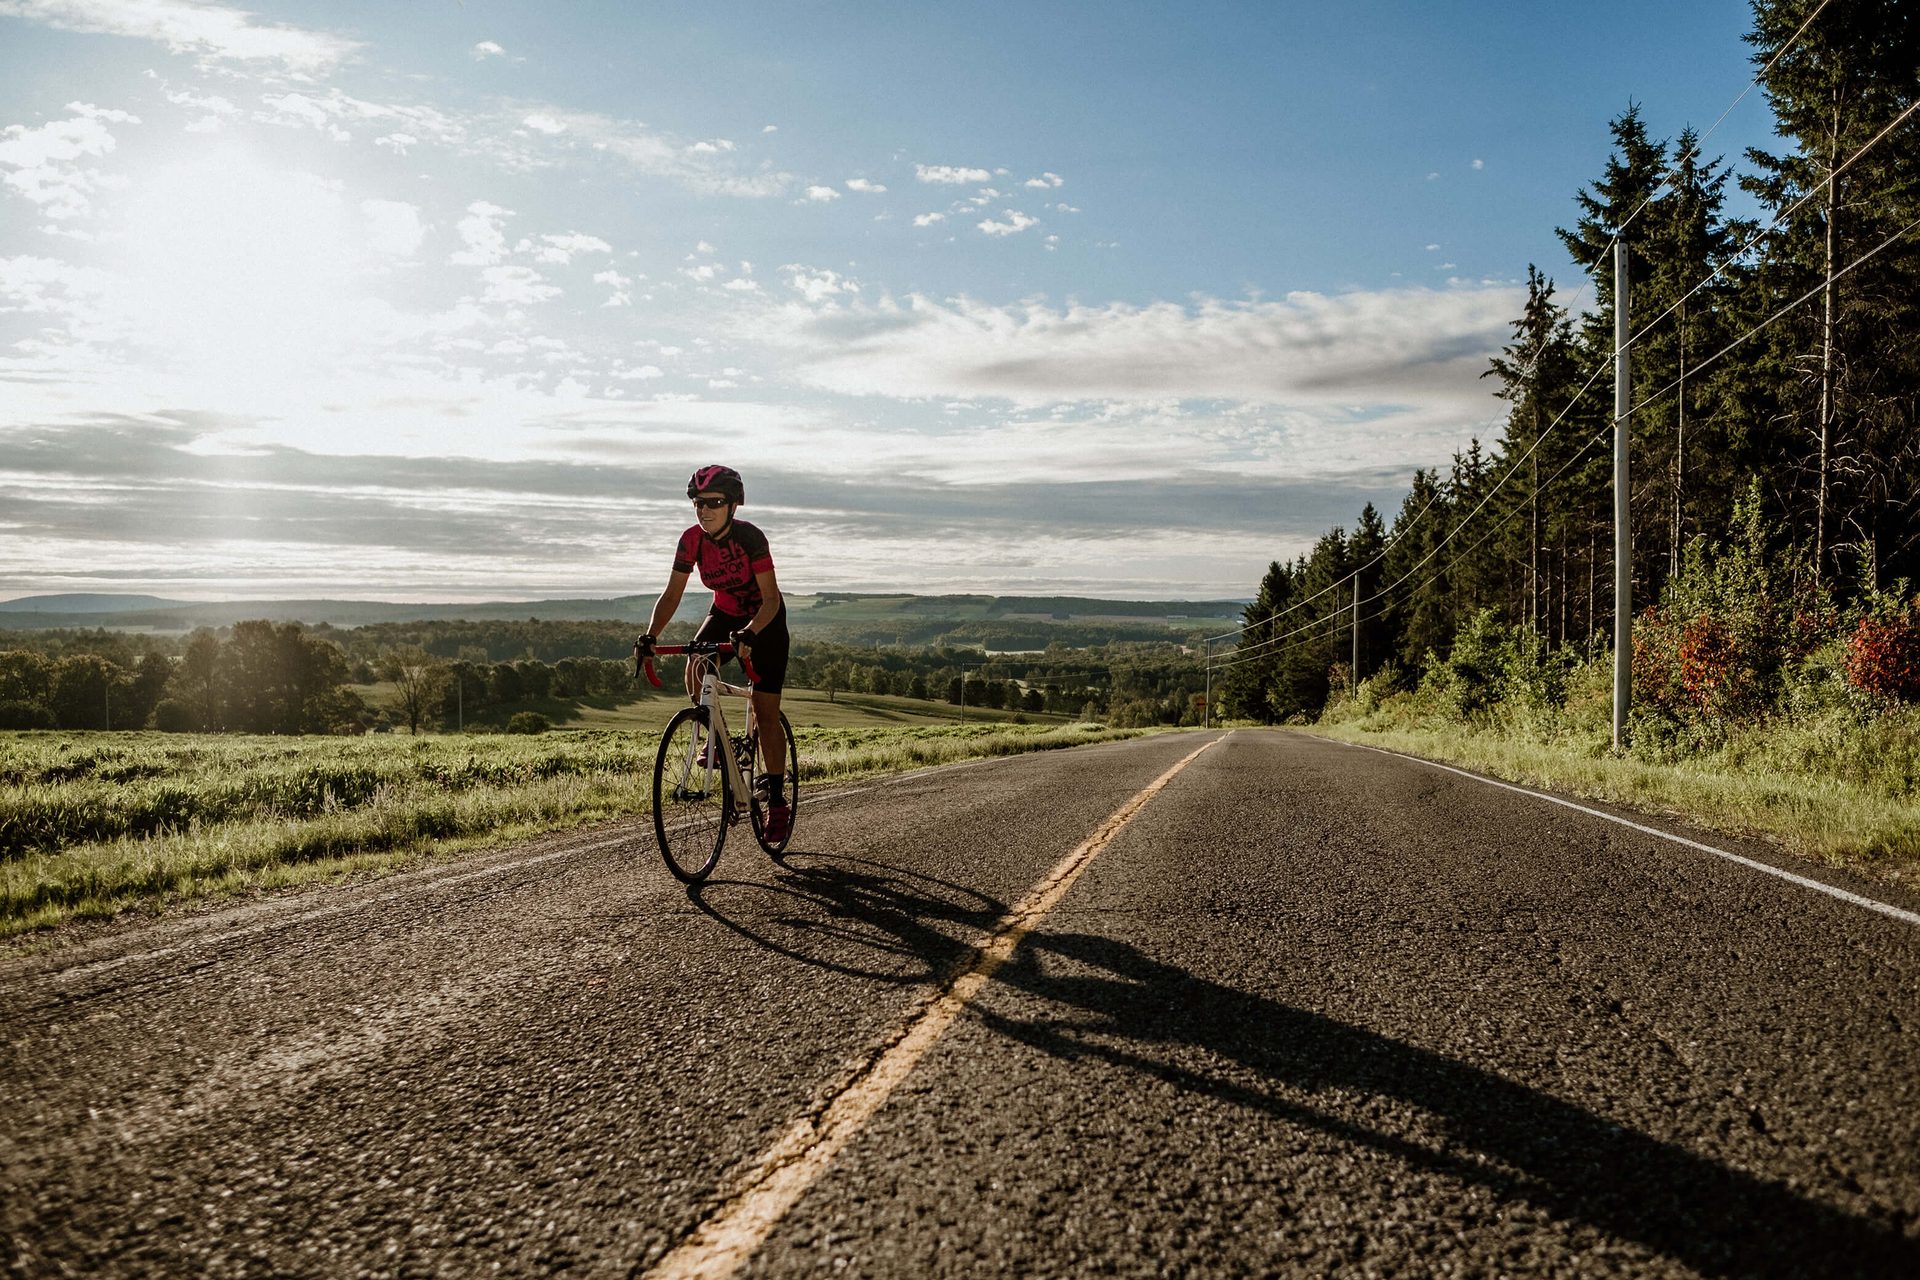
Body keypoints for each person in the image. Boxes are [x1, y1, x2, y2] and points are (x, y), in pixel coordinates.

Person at [634, 465, 792, 842]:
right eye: (697, 503)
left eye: (714, 503)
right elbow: (672, 595)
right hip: (724, 613)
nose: (704, 510)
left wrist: (751, 633)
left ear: (733, 505)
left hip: (764, 620)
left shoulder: (750, 538)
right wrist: (650, 635)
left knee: (765, 713)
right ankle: (715, 738)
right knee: (697, 662)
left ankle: (777, 798)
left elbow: (770, 598)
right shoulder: (691, 540)